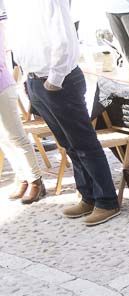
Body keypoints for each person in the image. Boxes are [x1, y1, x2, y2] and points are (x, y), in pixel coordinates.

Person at [8, 0, 120, 227]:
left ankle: (107, 201)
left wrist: (54, 79)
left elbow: (64, 39)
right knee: (69, 145)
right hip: (35, 79)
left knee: (84, 144)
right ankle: (88, 195)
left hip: (58, 80)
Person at [0, 9, 45, 205]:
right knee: (3, 138)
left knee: (16, 136)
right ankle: (22, 176)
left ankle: (36, 180)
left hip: (2, 85)